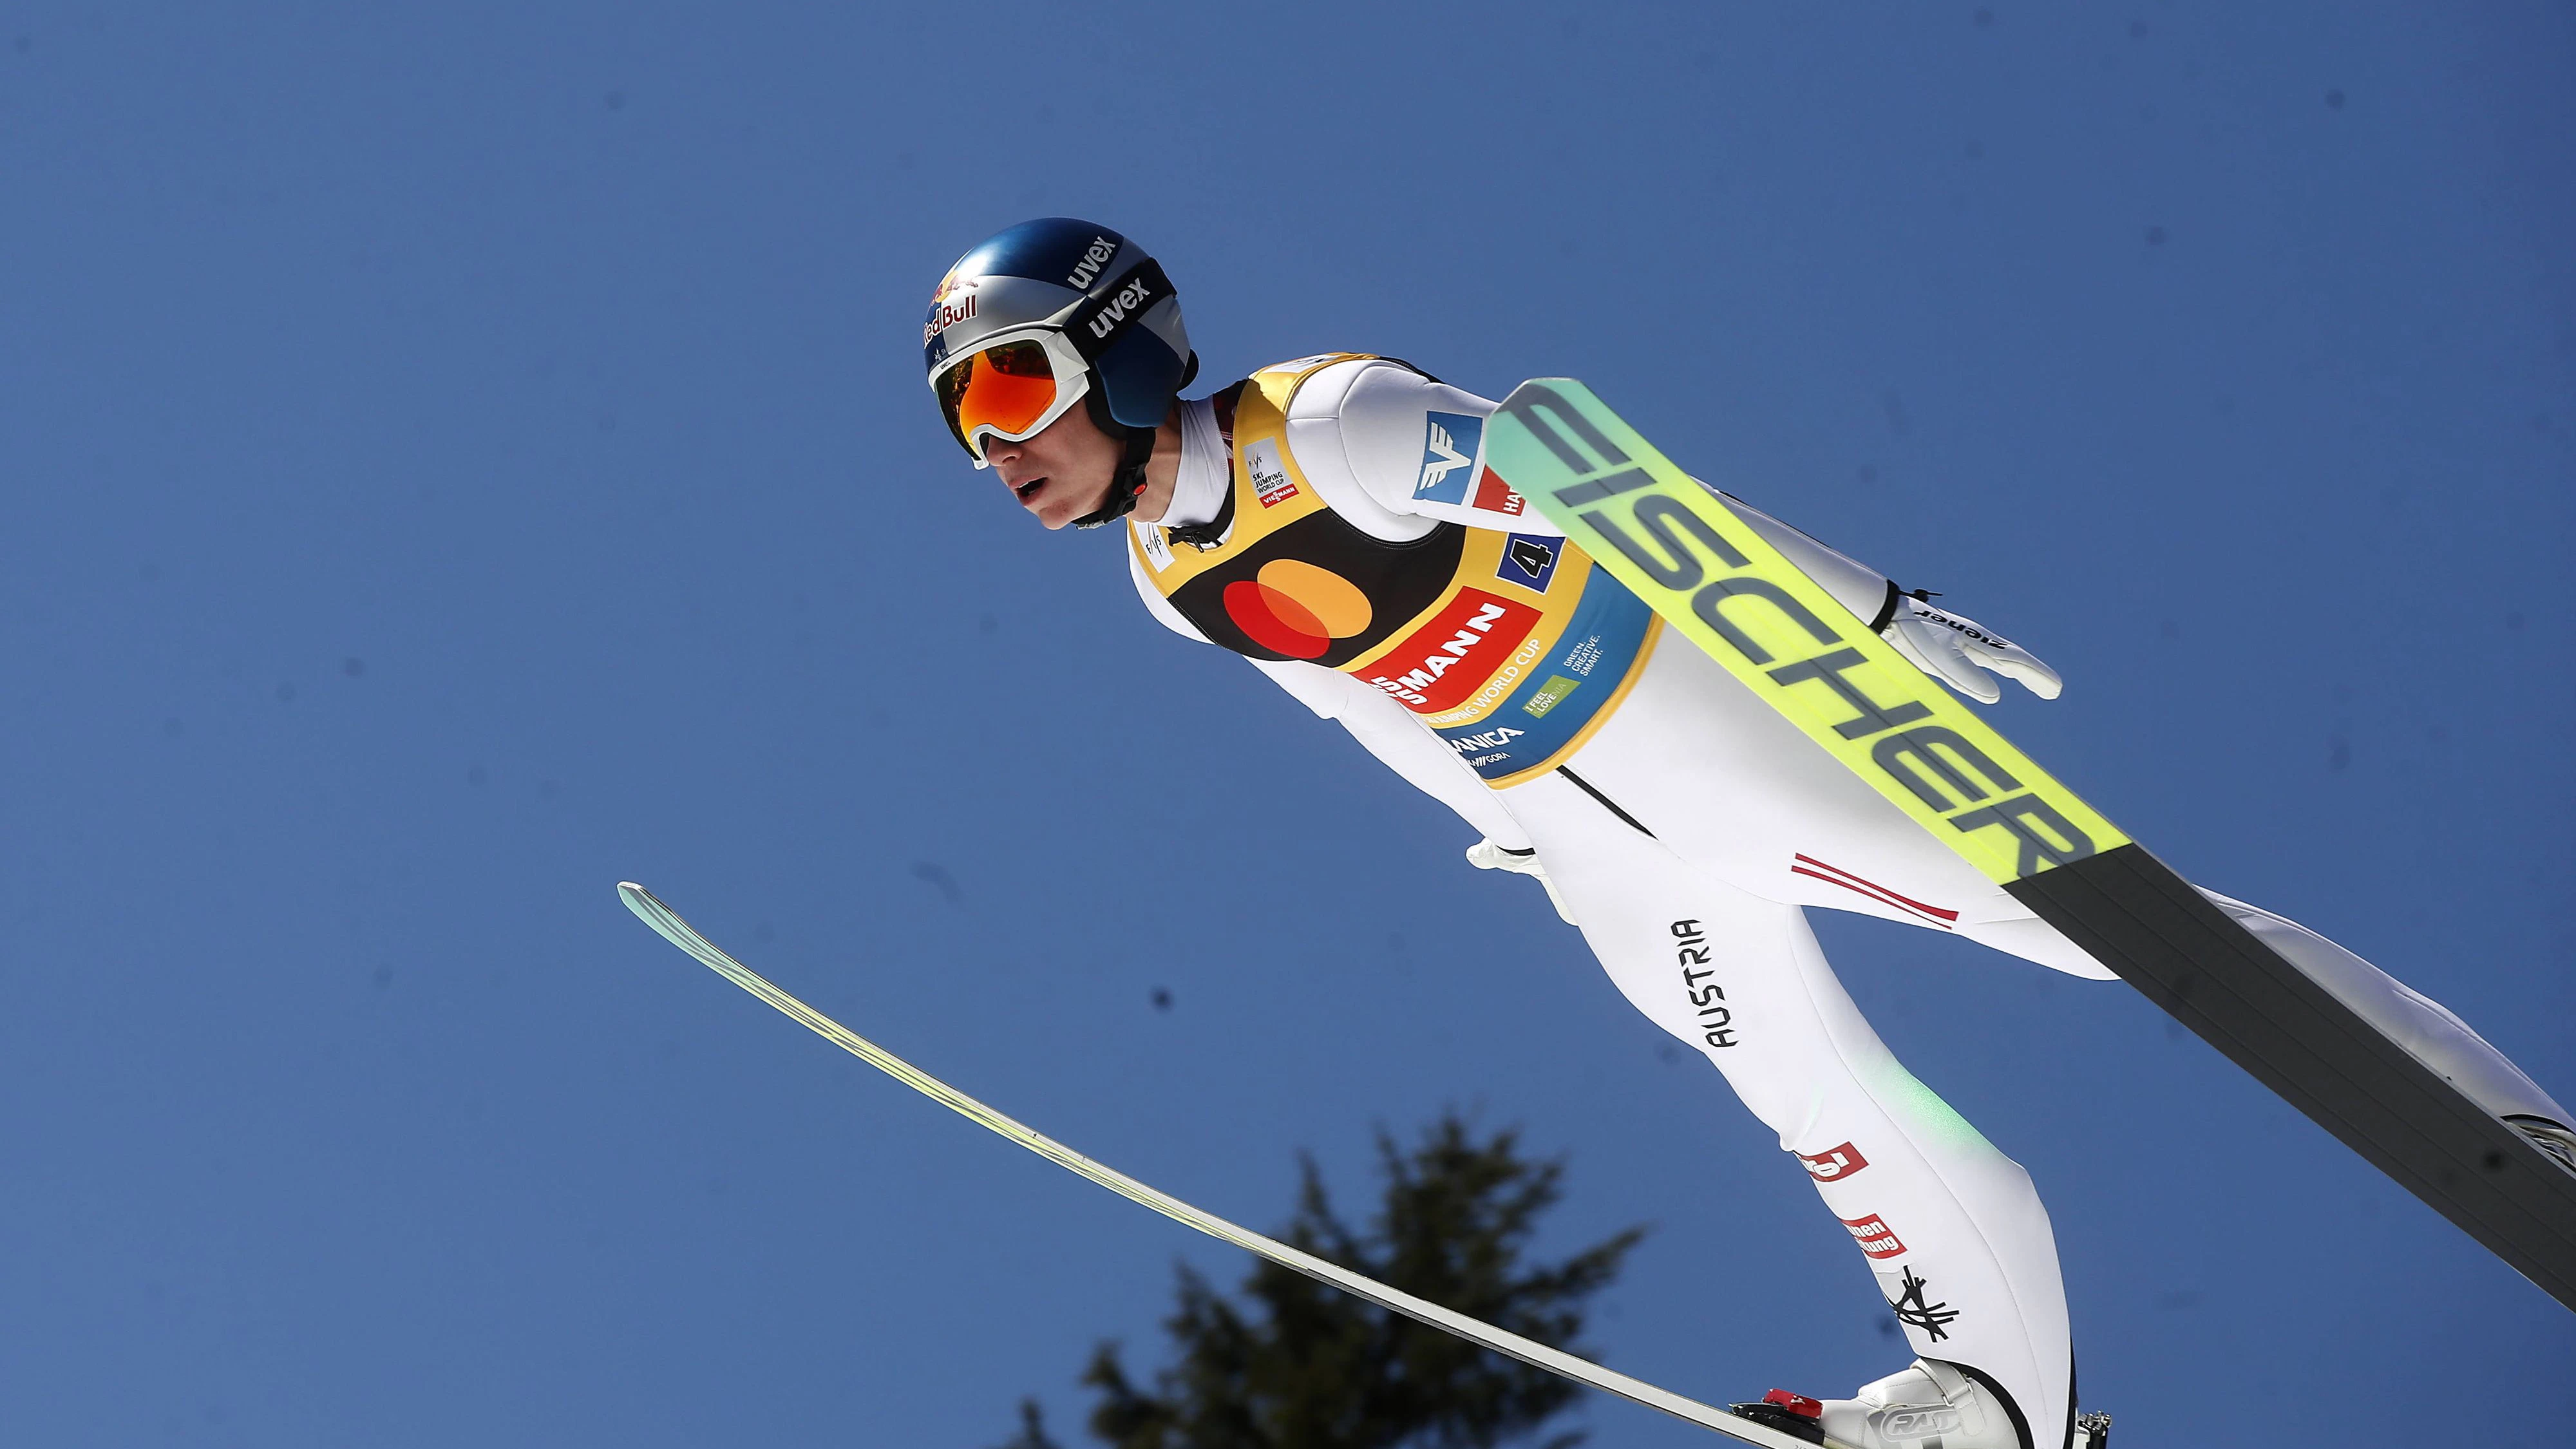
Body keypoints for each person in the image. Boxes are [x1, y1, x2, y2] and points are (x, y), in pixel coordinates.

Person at [922, 218, 2576, 1449]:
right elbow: (1355, 700)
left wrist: (1863, 607)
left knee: (2137, 935)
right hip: (1601, 848)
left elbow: (1603, 486)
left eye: (1008, 381)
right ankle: (1998, 1402)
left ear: (1121, 346)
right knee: (1824, 1114)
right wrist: (1496, 828)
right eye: (959, 418)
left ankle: (2521, 1133)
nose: (995, 445)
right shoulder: (1167, 586)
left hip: (1709, 728)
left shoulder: (1331, 425)